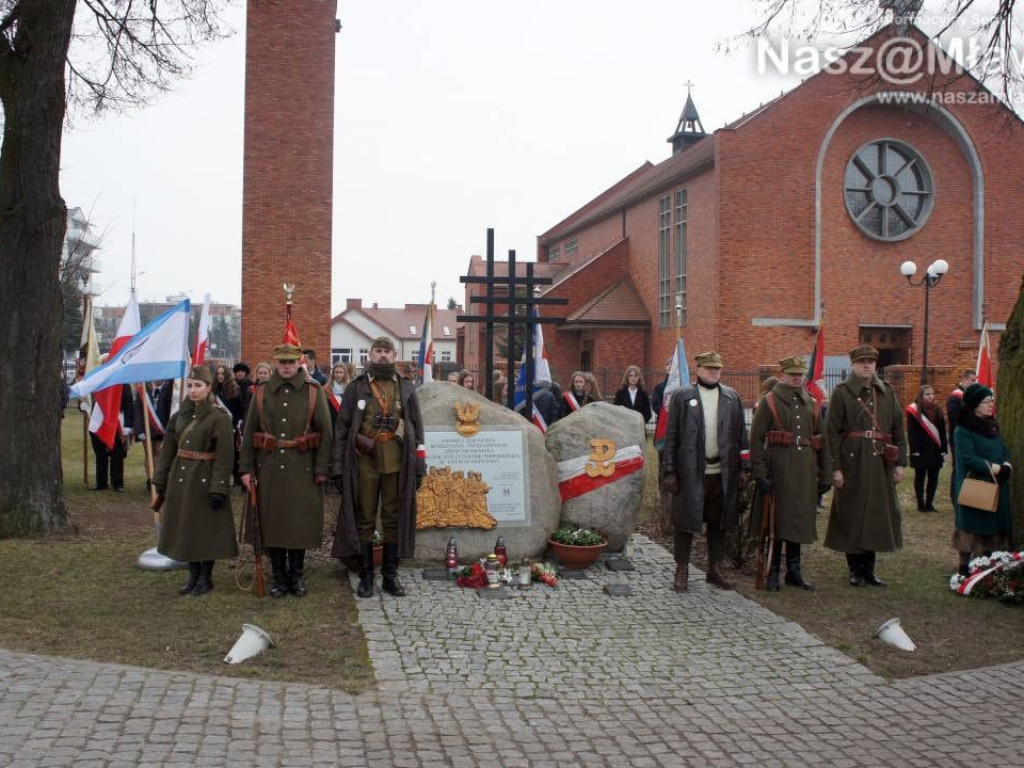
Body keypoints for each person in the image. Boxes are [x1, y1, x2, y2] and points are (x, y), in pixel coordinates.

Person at [331, 336, 426, 599]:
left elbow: (417, 429)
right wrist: (338, 468)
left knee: (393, 518)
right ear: (370, 355)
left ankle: (390, 575)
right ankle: (366, 575)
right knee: (365, 517)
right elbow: (341, 430)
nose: (382, 356)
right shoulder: (356, 388)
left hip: (397, 460)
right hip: (364, 462)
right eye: (378, 351)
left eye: (387, 351)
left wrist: (420, 464)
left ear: (395, 356)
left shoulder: (405, 387)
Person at [239, 344, 332, 598]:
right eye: (282, 362)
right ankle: (278, 577)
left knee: (298, 524)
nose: (287, 366)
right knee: (273, 524)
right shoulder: (262, 392)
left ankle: (296, 576)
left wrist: (322, 468)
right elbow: (248, 434)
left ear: (299, 362)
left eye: (291, 361)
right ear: (275, 363)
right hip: (268, 468)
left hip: (303, 469)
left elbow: (326, 434)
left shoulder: (313, 392)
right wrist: (246, 469)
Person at [662, 352, 748, 591]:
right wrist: (669, 471)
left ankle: (715, 569)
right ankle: (682, 570)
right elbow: (671, 437)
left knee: (719, 522)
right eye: (709, 368)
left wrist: (745, 467)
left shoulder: (731, 397)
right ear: (698, 369)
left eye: (717, 369)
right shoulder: (682, 396)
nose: (713, 372)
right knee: (685, 522)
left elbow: (742, 436)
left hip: (722, 473)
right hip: (691, 473)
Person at [824, 345, 907, 588]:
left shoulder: (887, 392)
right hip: (852, 462)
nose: (867, 365)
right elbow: (832, 433)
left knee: (876, 515)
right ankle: (855, 569)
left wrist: (900, 462)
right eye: (862, 361)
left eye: (871, 361)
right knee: (852, 512)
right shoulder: (841, 393)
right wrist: (835, 468)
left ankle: (869, 569)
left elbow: (897, 430)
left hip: (881, 462)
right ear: (853, 364)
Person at [152, 365, 237, 596]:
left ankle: (205, 578)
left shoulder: (219, 418)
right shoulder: (179, 417)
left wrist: (219, 486)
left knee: (205, 530)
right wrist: (160, 478)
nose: (193, 390)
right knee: (186, 527)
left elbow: (225, 456)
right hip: (181, 479)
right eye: (190, 386)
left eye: (198, 386)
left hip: (205, 477)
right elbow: (167, 449)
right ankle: (192, 576)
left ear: (209, 388)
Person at [749, 357, 830, 591]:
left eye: (799, 373)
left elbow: (822, 441)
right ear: (782, 373)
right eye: (792, 373)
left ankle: (794, 571)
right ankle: (773, 571)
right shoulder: (771, 401)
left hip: (806, 470)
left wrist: (825, 475)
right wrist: (759, 472)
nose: (796, 377)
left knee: (799, 521)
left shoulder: (812, 403)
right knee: (777, 522)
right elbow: (756, 439)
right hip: (779, 470)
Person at [951, 384, 1013, 576]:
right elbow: (968, 458)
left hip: (997, 486)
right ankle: (964, 573)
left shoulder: (992, 425)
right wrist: (994, 468)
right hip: (975, 487)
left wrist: (1006, 465)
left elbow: (1002, 449)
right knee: (972, 529)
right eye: (986, 402)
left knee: (992, 531)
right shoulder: (963, 429)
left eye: (992, 401)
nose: (990, 405)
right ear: (975, 404)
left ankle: (990, 575)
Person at [906, 384, 947, 512]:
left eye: (932, 393)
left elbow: (942, 432)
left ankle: (929, 504)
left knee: (933, 478)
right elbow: (911, 433)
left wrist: (944, 450)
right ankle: (920, 504)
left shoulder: (938, 409)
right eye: (927, 394)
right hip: (921, 450)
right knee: (920, 478)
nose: (930, 396)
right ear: (921, 396)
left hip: (935, 450)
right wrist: (914, 451)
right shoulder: (914, 410)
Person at [88, 383, 136, 492]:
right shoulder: (101, 381)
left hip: (117, 422)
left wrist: (128, 426)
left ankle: (117, 483)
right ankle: (101, 482)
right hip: (99, 421)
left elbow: (129, 405)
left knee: (117, 454)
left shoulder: (124, 384)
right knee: (100, 454)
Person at [946, 369, 978, 448]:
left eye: (975, 381)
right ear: (964, 380)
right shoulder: (955, 397)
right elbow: (954, 419)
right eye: (972, 380)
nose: (975, 383)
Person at [326, 362, 351, 428]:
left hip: (345, 421)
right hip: (331, 420)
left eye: (341, 372)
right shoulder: (326, 388)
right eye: (336, 372)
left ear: (345, 374)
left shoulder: (350, 387)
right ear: (333, 373)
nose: (338, 375)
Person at [651, 357, 673, 423]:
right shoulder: (659, 387)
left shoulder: (682, 387)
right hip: (663, 421)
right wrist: (665, 413)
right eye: (668, 365)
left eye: (672, 365)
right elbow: (655, 405)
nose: (670, 366)